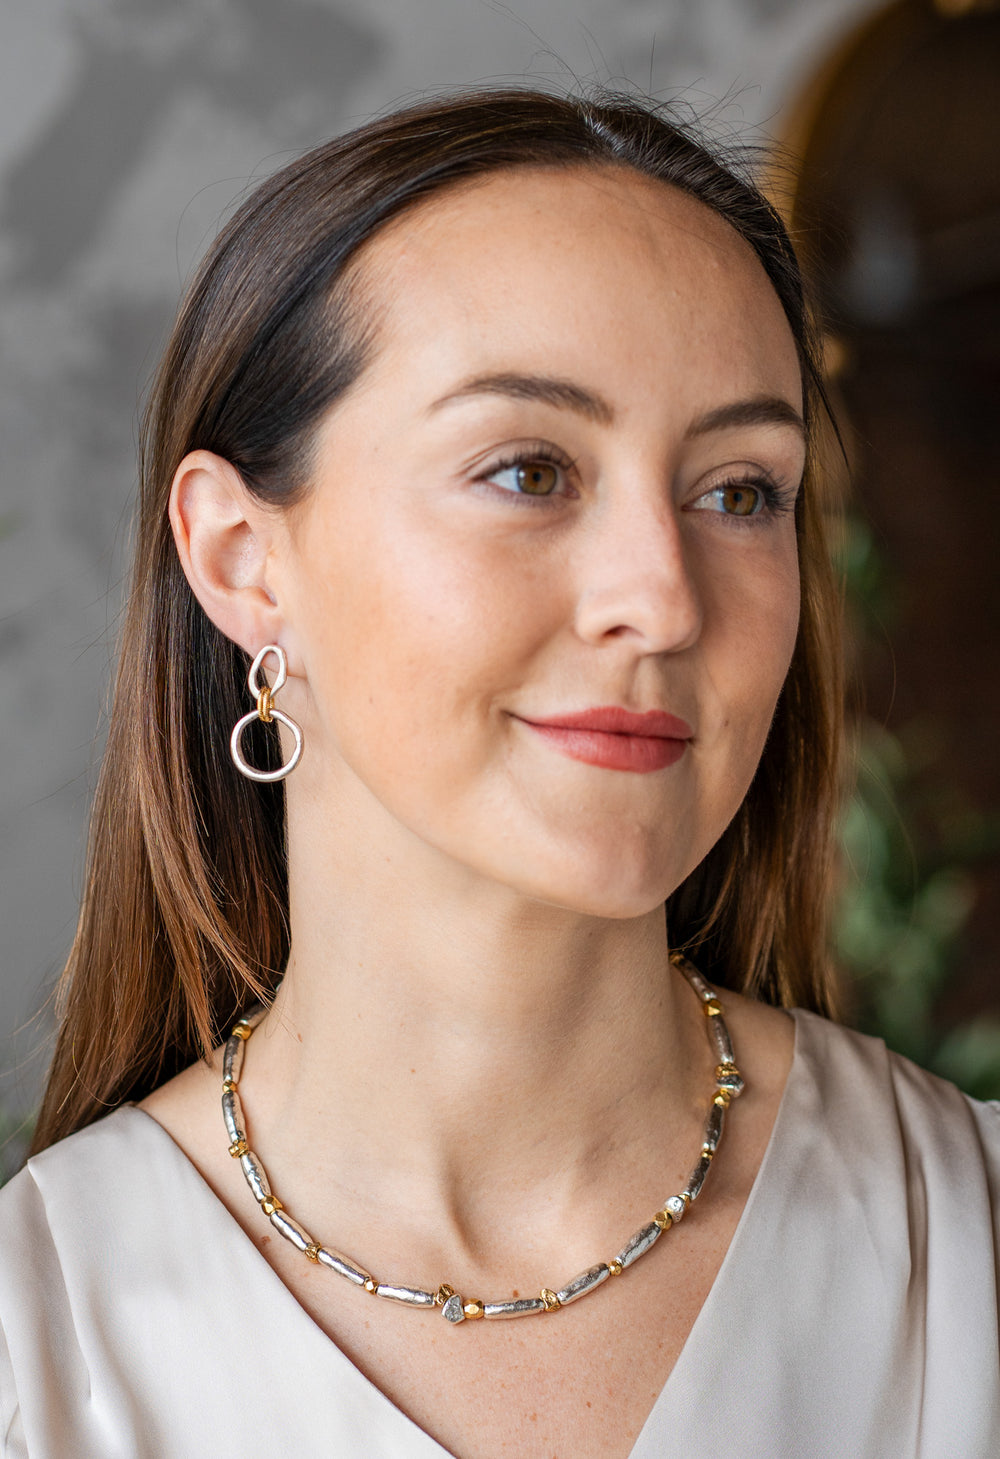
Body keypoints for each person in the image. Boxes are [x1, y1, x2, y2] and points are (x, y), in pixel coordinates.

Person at [0, 88, 997, 1459]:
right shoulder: (38, 1349)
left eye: (740, 490)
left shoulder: (974, 1249)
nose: (662, 599)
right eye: (531, 470)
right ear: (241, 558)